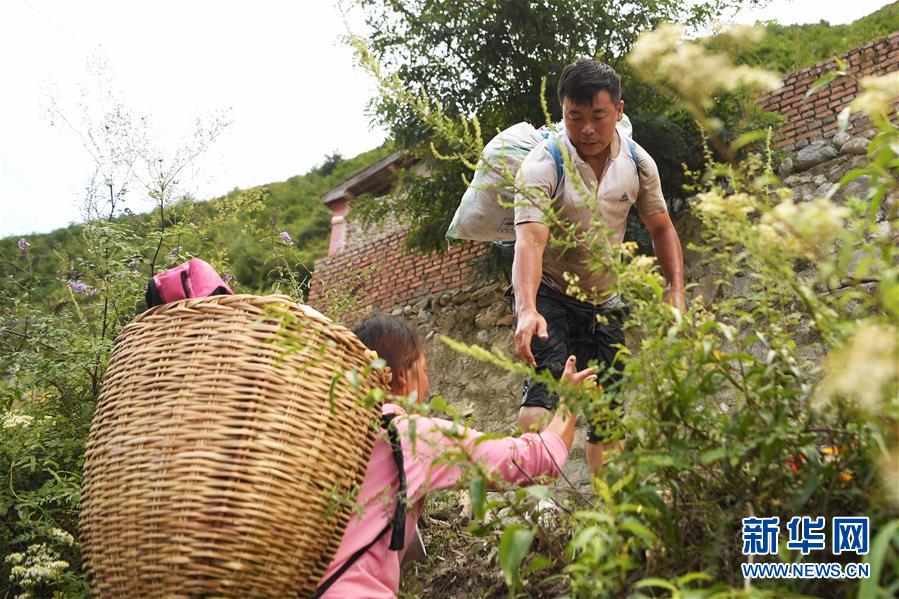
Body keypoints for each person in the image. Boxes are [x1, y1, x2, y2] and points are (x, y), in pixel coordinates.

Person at [316, 314, 596, 598]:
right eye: (424, 371)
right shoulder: (409, 437)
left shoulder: (330, 440)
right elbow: (533, 462)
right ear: (401, 376)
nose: (426, 383)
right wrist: (569, 403)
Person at [512, 58, 685, 474]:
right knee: (543, 394)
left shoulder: (639, 164)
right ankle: (535, 506)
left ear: (619, 111)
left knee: (608, 414)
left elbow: (661, 227)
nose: (587, 129)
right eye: (575, 118)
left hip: (606, 300)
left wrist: (675, 289)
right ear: (563, 113)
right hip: (550, 293)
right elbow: (530, 241)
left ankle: (611, 512)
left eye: (598, 117)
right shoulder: (542, 165)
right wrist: (527, 309)